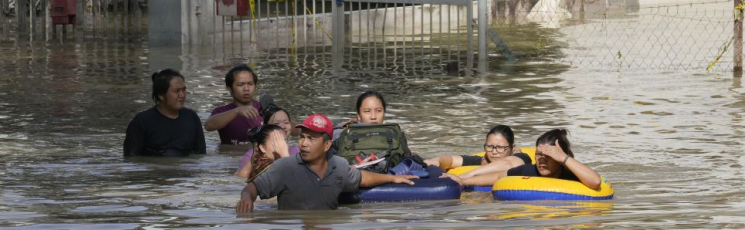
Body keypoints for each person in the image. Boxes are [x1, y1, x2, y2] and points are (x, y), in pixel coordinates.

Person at [236, 113, 417, 211]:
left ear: (327, 145)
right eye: (302, 137)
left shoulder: (339, 166)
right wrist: (246, 199)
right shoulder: (285, 166)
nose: (304, 143)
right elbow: (252, 187)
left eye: (311, 139)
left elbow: (362, 178)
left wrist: (392, 179)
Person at [441, 129, 601, 190]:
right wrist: (463, 181)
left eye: (548, 156)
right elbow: (499, 176)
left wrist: (563, 158)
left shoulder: (570, 173)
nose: (541, 160)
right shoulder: (529, 170)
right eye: (539, 154)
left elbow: (595, 182)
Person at [123, 69, 206, 157]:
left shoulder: (191, 117)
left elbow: (200, 155)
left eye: (183, 90)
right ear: (161, 95)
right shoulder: (142, 121)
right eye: (176, 91)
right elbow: (131, 160)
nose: (182, 95)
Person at [424, 125, 531, 170]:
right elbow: (452, 160)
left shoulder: (523, 158)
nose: (494, 152)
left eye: (500, 147)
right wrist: (437, 160)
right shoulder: (483, 160)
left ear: (511, 148)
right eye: (489, 146)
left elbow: (509, 164)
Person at [205, 64, 262, 145]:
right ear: (229, 88)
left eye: (250, 84)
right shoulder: (222, 111)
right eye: (240, 85)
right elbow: (208, 126)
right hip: (232, 156)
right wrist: (237, 111)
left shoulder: (264, 108)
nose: (246, 88)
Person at [236, 106, 300, 178]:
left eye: (286, 122)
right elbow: (241, 179)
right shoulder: (253, 154)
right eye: (276, 124)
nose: (282, 126)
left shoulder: (298, 151)